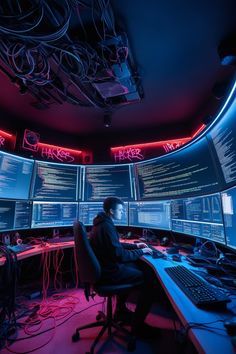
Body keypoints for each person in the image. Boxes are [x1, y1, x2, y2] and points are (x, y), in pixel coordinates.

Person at [89, 196, 162, 338]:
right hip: (109, 273)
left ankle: (120, 311)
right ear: (111, 211)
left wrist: (135, 246)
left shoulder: (101, 223)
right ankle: (138, 326)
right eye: (121, 210)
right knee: (150, 280)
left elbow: (115, 246)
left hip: (104, 268)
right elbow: (119, 255)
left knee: (133, 264)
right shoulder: (107, 226)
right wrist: (141, 251)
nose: (122, 213)